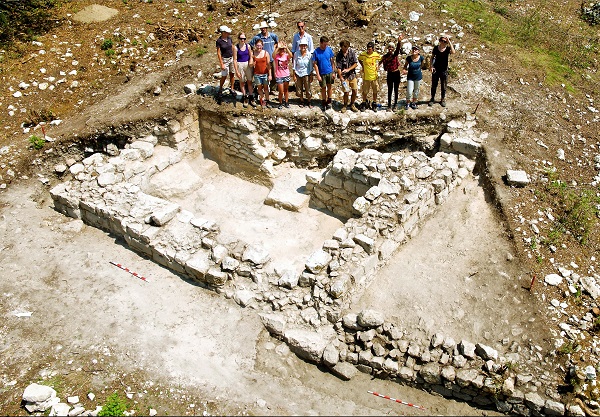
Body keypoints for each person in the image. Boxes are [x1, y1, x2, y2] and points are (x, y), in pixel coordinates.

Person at [249, 22, 278, 95]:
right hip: (261, 59)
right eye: (262, 28)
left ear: (267, 28)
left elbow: (277, 43)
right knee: (262, 74)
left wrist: (274, 48)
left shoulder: (273, 36)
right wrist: (253, 53)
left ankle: (272, 89)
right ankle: (261, 89)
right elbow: (250, 46)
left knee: (274, 74)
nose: (263, 29)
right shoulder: (257, 37)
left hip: (272, 58)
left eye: (264, 28)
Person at [378, 34, 404, 111]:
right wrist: (378, 66)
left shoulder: (395, 55)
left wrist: (399, 42)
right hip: (389, 74)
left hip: (396, 73)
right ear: (387, 48)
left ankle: (395, 104)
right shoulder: (385, 56)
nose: (390, 48)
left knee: (396, 89)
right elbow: (381, 62)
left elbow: (398, 49)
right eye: (389, 47)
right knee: (390, 90)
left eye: (392, 47)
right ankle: (389, 105)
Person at [429, 34, 455, 107]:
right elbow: (432, 57)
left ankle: (442, 99)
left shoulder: (447, 49)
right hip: (436, 70)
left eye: (444, 41)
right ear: (439, 41)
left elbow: (453, 52)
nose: (443, 42)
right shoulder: (436, 48)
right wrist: (431, 66)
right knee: (434, 85)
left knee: (443, 86)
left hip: (444, 70)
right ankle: (432, 98)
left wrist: (449, 41)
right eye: (442, 41)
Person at [312, 36, 336, 111]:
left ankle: (329, 100)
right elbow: (315, 64)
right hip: (322, 73)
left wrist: (333, 72)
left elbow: (332, 61)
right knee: (323, 87)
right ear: (321, 43)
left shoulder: (329, 50)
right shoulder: (316, 52)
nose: (326, 46)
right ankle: (323, 101)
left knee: (329, 86)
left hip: (329, 71)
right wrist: (318, 75)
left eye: (327, 44)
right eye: (324, 44)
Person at [233, 32, 255, 108]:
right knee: (242, 82)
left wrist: (251, 61)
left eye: (244, 39)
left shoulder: (248, 46)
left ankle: (251, 96)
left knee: (249, 81)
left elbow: (251, 55)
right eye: (241, 38)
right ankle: (245, 96)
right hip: (240, 64)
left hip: (247, 64)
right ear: (239, 39)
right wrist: (236, 70)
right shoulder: (236, 47)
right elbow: (235, 59)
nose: (243, 40)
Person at [358, 41, 382, 111]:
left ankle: (374, 103)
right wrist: (363, 66)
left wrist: (378, 66)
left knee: (375, 91)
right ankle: (364, 102)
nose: (368, 50)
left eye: (370, 49)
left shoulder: (375, 55)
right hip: (366, 77)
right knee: (365, 91)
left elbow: (382, 59)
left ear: (373, 49)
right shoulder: (363, 54)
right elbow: (359, 59)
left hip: (374, 76)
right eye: (368, 49)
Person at [336, 40, 359, 113]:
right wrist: (341, 78)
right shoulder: (339, 55)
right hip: (344, 77)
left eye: (347, 47)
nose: (346, 49)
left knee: (355, 90)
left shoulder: (351, 52)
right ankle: (345, 105)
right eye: (344, 47)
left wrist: (348, 69)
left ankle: (352, 104)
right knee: (346, 92)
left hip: (352, 75)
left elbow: (355, 64)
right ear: (341, 47)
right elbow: (338, 68)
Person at [215, 25, 235, 104]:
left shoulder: (229, 39)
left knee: (232, 73)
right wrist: (221, 63)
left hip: (231, 58)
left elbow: (232, 47)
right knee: (224, 75)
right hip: (225, 59)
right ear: (223, 33)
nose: (228, 33)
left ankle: (232, 88)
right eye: (226, 32)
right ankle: (220, 89)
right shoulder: (219, 41)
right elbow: (218, 52)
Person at [402, 45, 424, 110]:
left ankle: (414, 102)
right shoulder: (409, 58)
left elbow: (422, 65)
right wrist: (404, 70)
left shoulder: (421, 58)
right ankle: (408, 102)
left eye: (416, 49)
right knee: (409, 90)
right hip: (410, 77)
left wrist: (419, 70)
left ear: (418, 51)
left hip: (418, 76)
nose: (414, 51)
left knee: (416, 90)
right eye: (413, 49)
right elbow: (405, 66)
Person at [251, 39, 271, 108]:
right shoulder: (253, 53)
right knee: (259, 88)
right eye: (257, 45)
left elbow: (269, 65)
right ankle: (262, 100)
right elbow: (251, 64)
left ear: (262, 46)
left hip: (265, 74)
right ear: (255, 46)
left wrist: (270, 75)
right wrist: (252, 63)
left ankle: (267, 100)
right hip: (257, 74)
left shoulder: (266, 53)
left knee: (266, 88)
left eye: (260, 45)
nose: (259, 47)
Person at [293, 39, 313, 108]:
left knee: (308, 88)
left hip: (306, 73)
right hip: (298, 73)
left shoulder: (309, 54)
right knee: (299, 88)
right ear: (299, 46)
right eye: (302, 46)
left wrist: (311, 75)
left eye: (304, 46)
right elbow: (294, 64)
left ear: (306, 46)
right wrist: (294, 74)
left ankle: (309, 101)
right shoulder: (296, 54)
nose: (303, 47)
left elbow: (310, 65)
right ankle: (301, 101)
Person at [274, 41, 292, 109]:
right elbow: (273, 55)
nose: (281, 50)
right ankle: (280, 102)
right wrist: (278, 48)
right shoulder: (276, 56)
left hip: (286, 74)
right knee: (281, 91)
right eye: (280, 49)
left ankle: (286, 102)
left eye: (282, 49)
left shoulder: (286, 55)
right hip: (279, 75)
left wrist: (286, 48)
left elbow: (291, 55)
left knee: (286, 90)